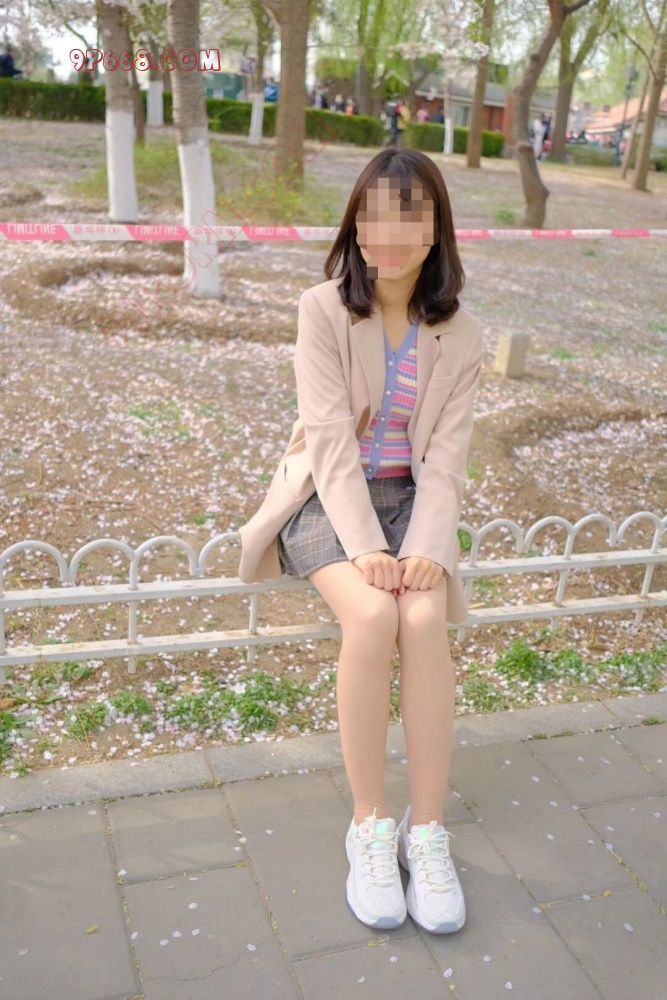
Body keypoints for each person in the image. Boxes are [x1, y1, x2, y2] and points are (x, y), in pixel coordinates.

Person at [239, 148, 483, 934]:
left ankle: (426, 831)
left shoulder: (461, 333)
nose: (391, 234)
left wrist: (426, 548)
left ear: (436, 229)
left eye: (410, 216)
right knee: (375, 615)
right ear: (354, 224)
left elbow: (446, 461)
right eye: (375, 216)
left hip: (412, 503)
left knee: (422, 616)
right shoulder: (322, 310)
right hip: (327, 498)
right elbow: (328, 444)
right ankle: (370, 824)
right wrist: (367, 546)